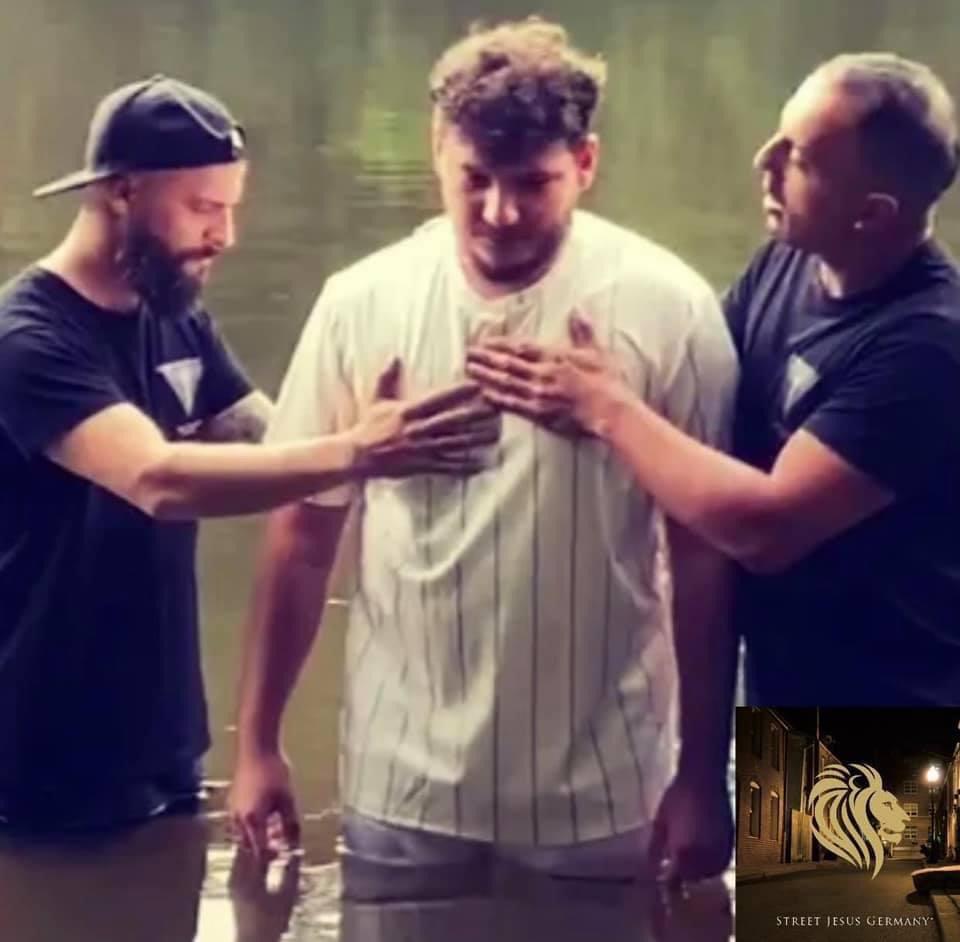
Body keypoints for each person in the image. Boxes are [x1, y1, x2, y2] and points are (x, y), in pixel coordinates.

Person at [229, 17, 738, 889]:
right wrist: (257, 746)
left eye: (533, 183)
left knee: (875, 897)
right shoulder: (361, 302)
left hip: (606, 789)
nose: (499, 212)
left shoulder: (670, 308)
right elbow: (303, 539)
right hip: (401, 787)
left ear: (585, 164)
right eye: (475, 179)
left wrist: (700, 775)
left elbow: (702, 557)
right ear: (437, 149)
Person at [0, 75, 496, 833]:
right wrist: (356, 449)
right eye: (204, 208)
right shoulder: (28, 338)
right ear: (122, 192)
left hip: (162, 739)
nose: (225, 235)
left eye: (231, 208)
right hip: (34, 748)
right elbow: (158, 479)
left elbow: (279, 442)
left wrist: (397, 430)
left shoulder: (173, 315)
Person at [466, 52, 960, 706]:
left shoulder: (928, 346)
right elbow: (694, 399)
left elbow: (766, 529)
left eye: (799, 159)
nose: (763, 162)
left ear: (872, 214)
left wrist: (606, 407)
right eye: (778, 137)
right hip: (785, 689)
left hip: (893, 714)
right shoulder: (787, 262)